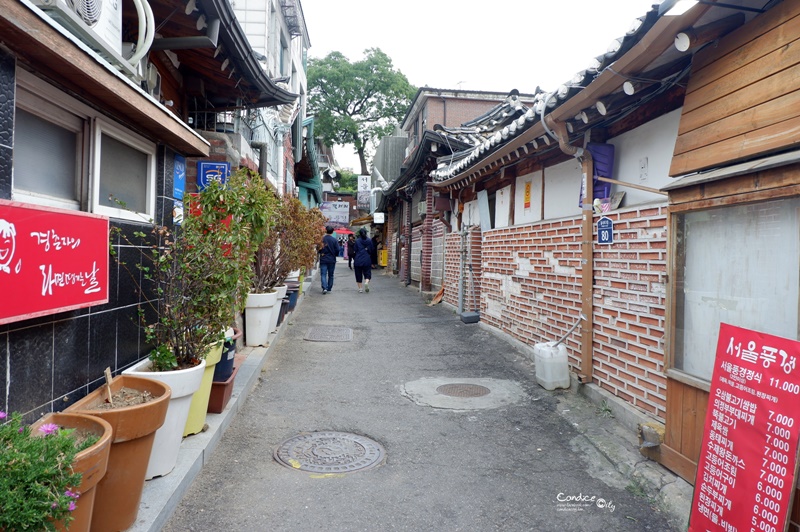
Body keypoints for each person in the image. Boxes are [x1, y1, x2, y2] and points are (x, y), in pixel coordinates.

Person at [318, 226, 340, 294]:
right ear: (332, 232)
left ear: (325, 231)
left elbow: (319, 248)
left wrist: (321, 252)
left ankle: (324, 287)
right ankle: (329, 288)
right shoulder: (334, 240)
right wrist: (335, 254)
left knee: (323, 274)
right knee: (331, 275)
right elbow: (337, 250)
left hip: (323, 258)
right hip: (332, 259)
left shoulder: (322, 239)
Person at [353, 227, 375, 293]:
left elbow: (355, 250)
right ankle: (366, 282)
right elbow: (372, 250)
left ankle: (360, 289)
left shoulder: (357, 241)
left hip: (358, 259)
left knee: (358, 274)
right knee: (367, 273)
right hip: (367, 259)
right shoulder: (369, 240)